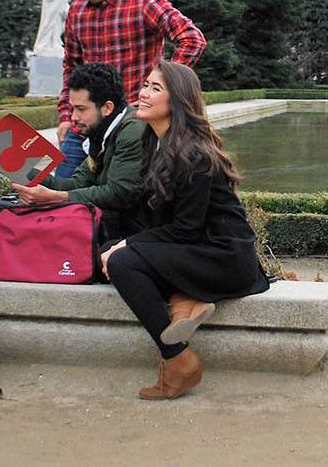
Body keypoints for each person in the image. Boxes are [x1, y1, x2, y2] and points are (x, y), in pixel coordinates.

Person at [100, 60, 269, 400]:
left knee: (121, 261)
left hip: (223, 258)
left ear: (177, 101)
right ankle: (185, 299)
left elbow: (185, 229)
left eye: (155, 88)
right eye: (145, 85)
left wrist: (128, 246)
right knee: (108, 250)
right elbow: (161, 223)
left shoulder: (194, 154)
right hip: (195, 249)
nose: (143, 93)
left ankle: (178, 360)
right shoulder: (154, 143)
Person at [0, 63, 147, 271]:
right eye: (72, 108)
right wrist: (20, 168)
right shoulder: (101, 132)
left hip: (135, 235)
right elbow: (77, 183)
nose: (74, 118)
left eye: (81, 109)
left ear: (107, 108)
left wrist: (55, 197)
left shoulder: (131, 131)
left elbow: (120, 193)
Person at [56, 0, 206, 156]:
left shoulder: (143, 1)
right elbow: (72, 68)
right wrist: (66, 115)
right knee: (62, 178)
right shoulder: (76, 11)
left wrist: (163, 86)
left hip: (134, 125)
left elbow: (192, 39)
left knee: (123, 179)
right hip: (86, 127)